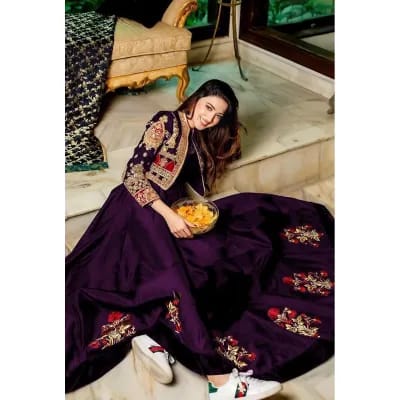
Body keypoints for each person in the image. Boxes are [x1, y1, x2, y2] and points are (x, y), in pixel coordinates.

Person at [66, 79, 334, 399]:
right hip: (138, 211)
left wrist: (188, 209)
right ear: (195, 100)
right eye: (208, 108)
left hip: (171, 213)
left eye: (218, 115)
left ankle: (152, 334)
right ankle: (221, 382)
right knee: (173, 278)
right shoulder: (165, 122)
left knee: (217, 257)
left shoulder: (197, 135)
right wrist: (168, 216)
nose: (210, 118)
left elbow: (191, 180)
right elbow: (132, 175)